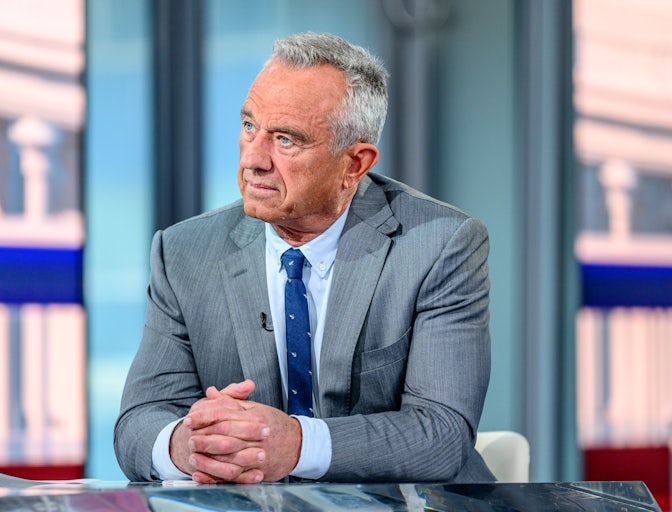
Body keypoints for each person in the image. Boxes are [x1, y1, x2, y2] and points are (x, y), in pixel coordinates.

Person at [114, 32, 494, 484]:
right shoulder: (184, 252)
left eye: (286, 140)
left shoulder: (439, 246)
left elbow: (440, 435)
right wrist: (190, 444)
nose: (253, 159)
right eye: (250, 126)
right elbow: (138, 422)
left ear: (355, 164)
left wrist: (295, 444)